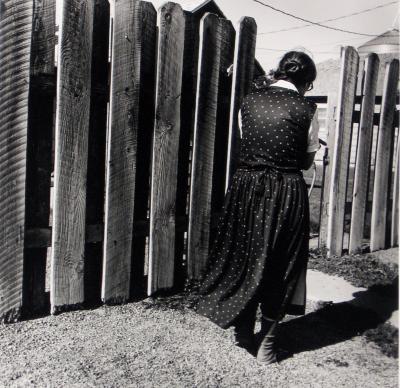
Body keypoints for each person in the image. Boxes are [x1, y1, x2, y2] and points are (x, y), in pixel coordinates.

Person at [196, 51, 319, 364]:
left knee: (243, 257)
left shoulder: (249, 102)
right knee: (282, 264)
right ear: (306, 82)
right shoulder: (307, 108)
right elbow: (306, 160)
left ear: (279, 72)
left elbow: (247, 141)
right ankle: (266, 346)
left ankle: (242, 332)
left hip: (246, 188)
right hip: (286, 192)